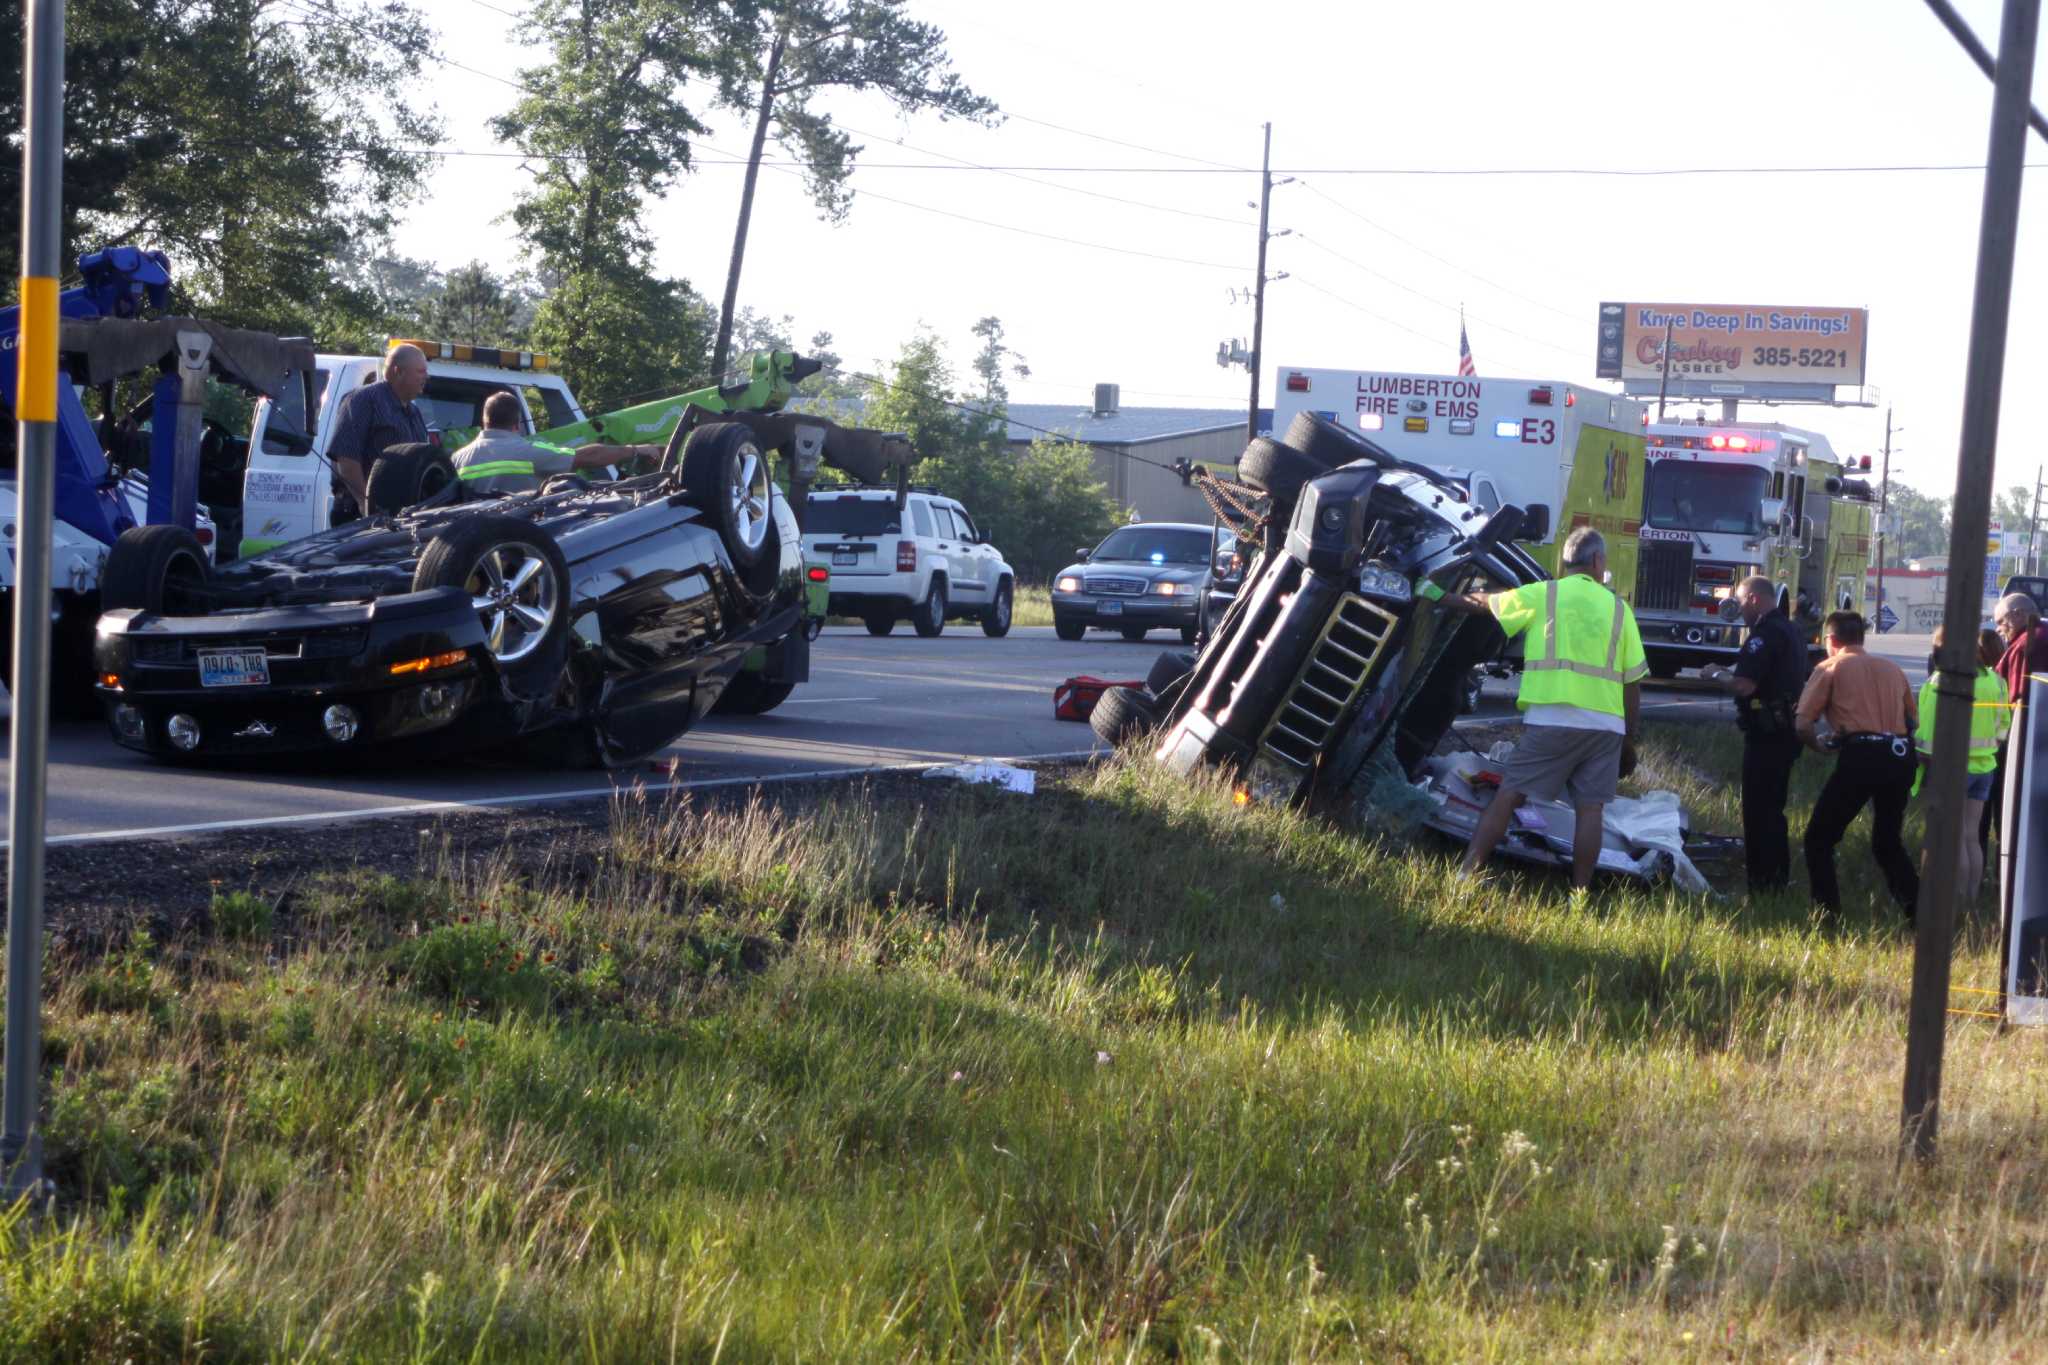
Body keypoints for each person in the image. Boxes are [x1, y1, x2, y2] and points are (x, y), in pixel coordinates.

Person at [1443, 526, 1647, 890]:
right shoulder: (1620, 610)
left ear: (1564, 562)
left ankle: (1466, 875)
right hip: (1605, 727)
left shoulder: (1545, 595)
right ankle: (1579, 894)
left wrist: (1435, 595)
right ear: (1598, 561)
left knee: (1509, 795)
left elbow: (1485, 603)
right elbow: (1633, 684)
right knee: (1590, 811)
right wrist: (1628, 739)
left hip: (1551, 718)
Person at [1795, 610, 1919, 918]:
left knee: (1819, 839)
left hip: (1862, 757)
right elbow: (1911, 720)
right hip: (1900, 755)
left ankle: (1827, 916)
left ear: (1831, 640)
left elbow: (1802, 724)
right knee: (1887, 842)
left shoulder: (1830, 667)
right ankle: (1921, 914)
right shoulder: (1892, 668)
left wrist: (1819, 745)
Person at [1700, 575, 1809, 893]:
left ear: (1754, 600)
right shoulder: (1791, 631)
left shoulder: (1763, 636)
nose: (1739, 608)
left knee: (1758, 812)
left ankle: (1762, 885)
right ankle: (1777, 883)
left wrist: (1716, 674)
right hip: (1785, 731)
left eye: (1740, 600)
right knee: (1774, 811)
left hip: (1767, 735)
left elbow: (1745, 685)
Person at [1912, 626, 2008, 898]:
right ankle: (1972, 896)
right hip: (1985, 769)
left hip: (1953, 769)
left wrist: (1922, 758)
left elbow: (1928, 733)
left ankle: (1954, 899)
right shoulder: (1996, 680)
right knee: (1971, 835)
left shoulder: (1939, 682)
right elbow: (2004, 726)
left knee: (1951, 837)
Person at [450, 390, 662, 496]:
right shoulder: (530, 450)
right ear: (518, 423)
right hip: (524, 543)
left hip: (477, 551)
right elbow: (586, 457)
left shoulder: (457, 459)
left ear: (484, 421)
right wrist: (635, 450)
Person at [328, 343, 430, 513]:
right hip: (361, 514)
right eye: (420, 371)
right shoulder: (363, 400)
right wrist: (364, 503)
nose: (426, 376)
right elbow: (346, 458)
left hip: (401, 514)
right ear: (398, 371)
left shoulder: (414, 412)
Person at [1987, 591, 2048, 851]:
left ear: (2018, 615)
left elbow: (2016, 702)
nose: (1999, 629)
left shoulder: (2026, 645)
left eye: (2001, 622)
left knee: (2016, 811)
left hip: (2029, 744)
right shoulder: (2040, 634)